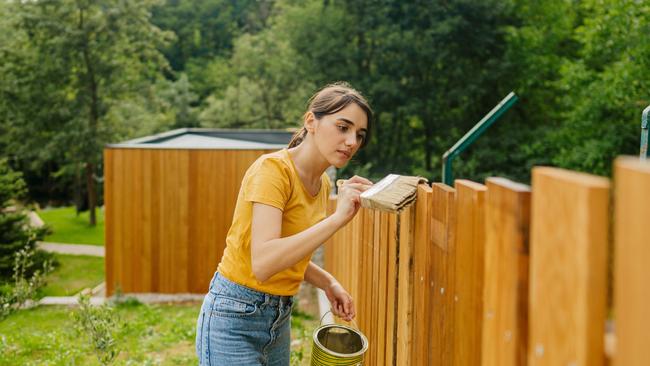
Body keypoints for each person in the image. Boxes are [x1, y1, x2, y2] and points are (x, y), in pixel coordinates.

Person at [195, 82, 374, 365]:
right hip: (234, 318)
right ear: (311, 121)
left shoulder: (322, 184)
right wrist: (337, 219)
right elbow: (265, 262)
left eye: (359, 134)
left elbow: (288, 252)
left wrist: (327, 282)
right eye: (343, 127)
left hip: (278, 320)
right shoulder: (273, 171)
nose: (352, 141)